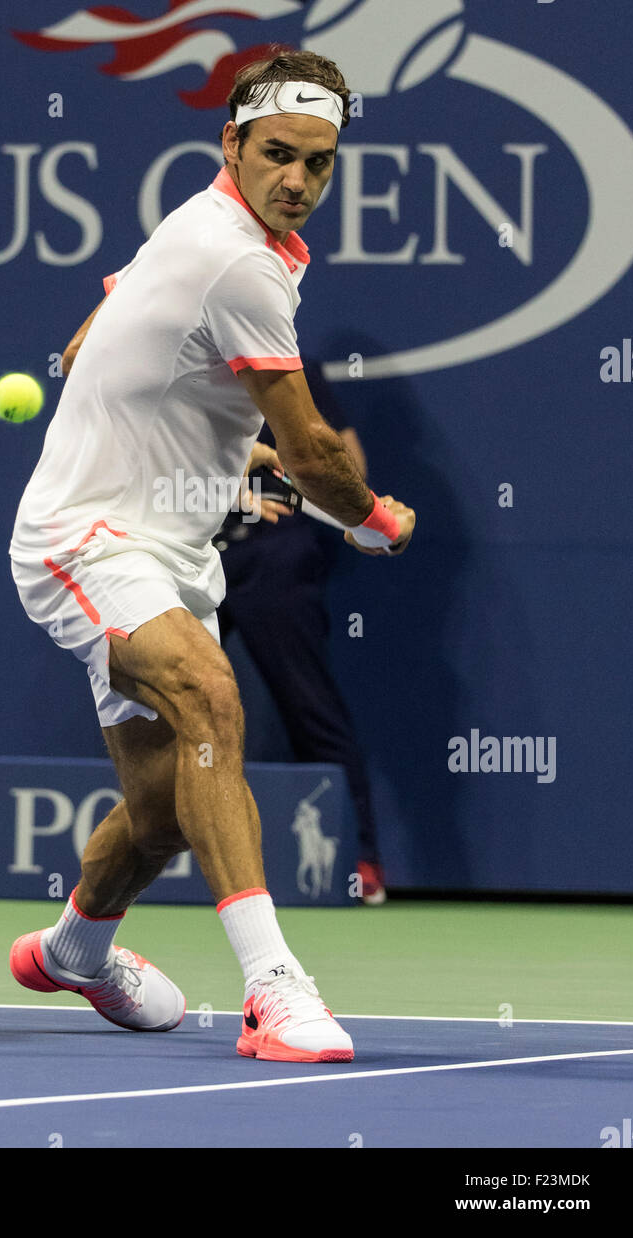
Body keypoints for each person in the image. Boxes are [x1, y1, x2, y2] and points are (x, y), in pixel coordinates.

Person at [7, 47, 415, 1063]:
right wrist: (371, 519)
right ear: (231, 143)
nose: (298, 180)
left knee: (159, 811)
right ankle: (273, 989)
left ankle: (72, 952)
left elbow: (91, 340)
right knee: (211, 696)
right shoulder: (240, 261)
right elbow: (316, 450)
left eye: (318, 163)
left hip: (170, 552)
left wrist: (227, 449)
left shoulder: (208, 228)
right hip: (82, 539)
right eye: (278, 154)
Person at [215, 357, 388, 905]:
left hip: (274, 556)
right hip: (188, 550)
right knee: (154, 711)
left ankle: (359, 861)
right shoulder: (177, 363)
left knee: (311, 709)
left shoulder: (290, 368)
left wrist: (288, 486)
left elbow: (348, 468)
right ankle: (152, 863)